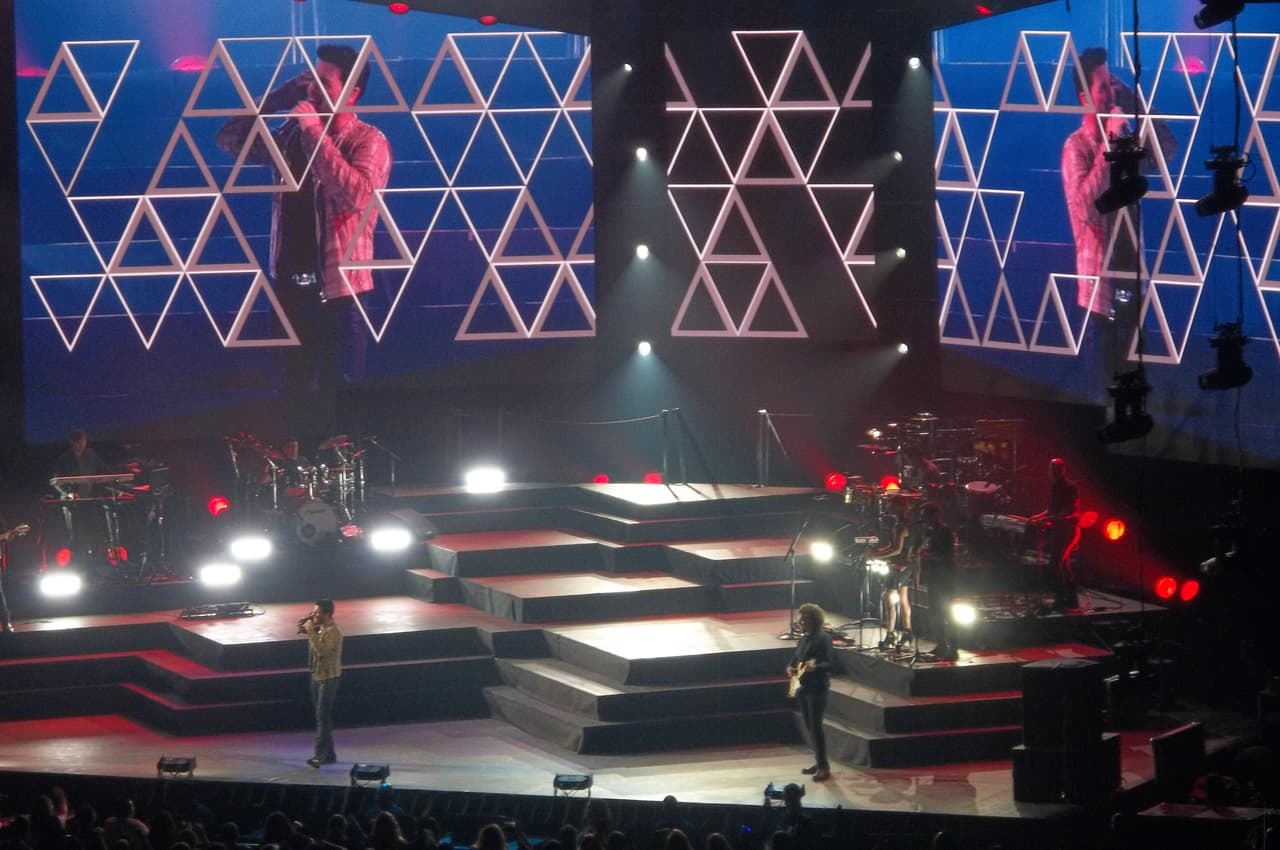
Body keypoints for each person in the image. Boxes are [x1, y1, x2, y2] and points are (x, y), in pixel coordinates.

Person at [216, 44, 392, 393]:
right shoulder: (289, 137)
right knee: (290, 396)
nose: (312, 90)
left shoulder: (367, 140)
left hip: (339, 296)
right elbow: (229, 139)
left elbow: (358, 196)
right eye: (311, 80)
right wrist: (275, 100)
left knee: (339, 398)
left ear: (352, 94)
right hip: (289, 293)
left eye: (324, 84)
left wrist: (315, 133)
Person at [787, 603, 834, 782]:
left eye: (804, 620)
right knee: (809, 726)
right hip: (804, 687)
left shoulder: (824, 639)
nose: (800, 623)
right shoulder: (804, 639)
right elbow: (796, 658)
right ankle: (818, 761)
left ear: (813, 621)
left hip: (817, 688)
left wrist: (815, 667)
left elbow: (830, 664)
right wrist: (790, 667)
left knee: (816, 727)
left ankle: (824, 767)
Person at [1031, 457, 1081, 610]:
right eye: (1051, 469)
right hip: (1059, 530)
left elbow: (1068, 511)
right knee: (1063, 564)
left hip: (1067, 531)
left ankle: (1061, 597)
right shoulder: (1055, 487)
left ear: (1062, 470)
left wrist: (1049, 518)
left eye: (1055, 469)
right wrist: (1038, 516)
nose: (1052, 472)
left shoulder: (1070, 487)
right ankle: (1071, 597)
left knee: (1055, 563)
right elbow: (1052, 509)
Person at [301, 597, 343, 767]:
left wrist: (311, 632)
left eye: (317, 612)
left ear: (326, 613)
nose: (314, 615)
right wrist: (311, 630)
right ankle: (330, 754)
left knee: (322, 718)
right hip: (316, 675)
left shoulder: (333, 631)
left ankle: (319, 754)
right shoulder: (321, 629)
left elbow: (322, 651)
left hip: (328, 678)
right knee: (322, 717)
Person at [874, 497, 918, 650]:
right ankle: (907, 631)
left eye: (891, 505)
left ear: (899, 507)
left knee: (889, 598)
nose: (888, 507)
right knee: (903, 598)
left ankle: (890, 633)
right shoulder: (901, 524)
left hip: (901, 565)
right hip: (904, 564)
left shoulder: (901, 526)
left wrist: (876, 556)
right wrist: (879, 551)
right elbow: (892, 546)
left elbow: (897, 549)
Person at [917, 501, 958, 662]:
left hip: (945, 578)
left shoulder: (945, 532)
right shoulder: (929, 532)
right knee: (935, 613)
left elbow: (947, 556)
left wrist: (929, 556)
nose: (924, 520)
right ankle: (941, 644)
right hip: (933, 577)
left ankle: (953, 647)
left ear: (935, 515)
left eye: (926, 516)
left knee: (948, 613)